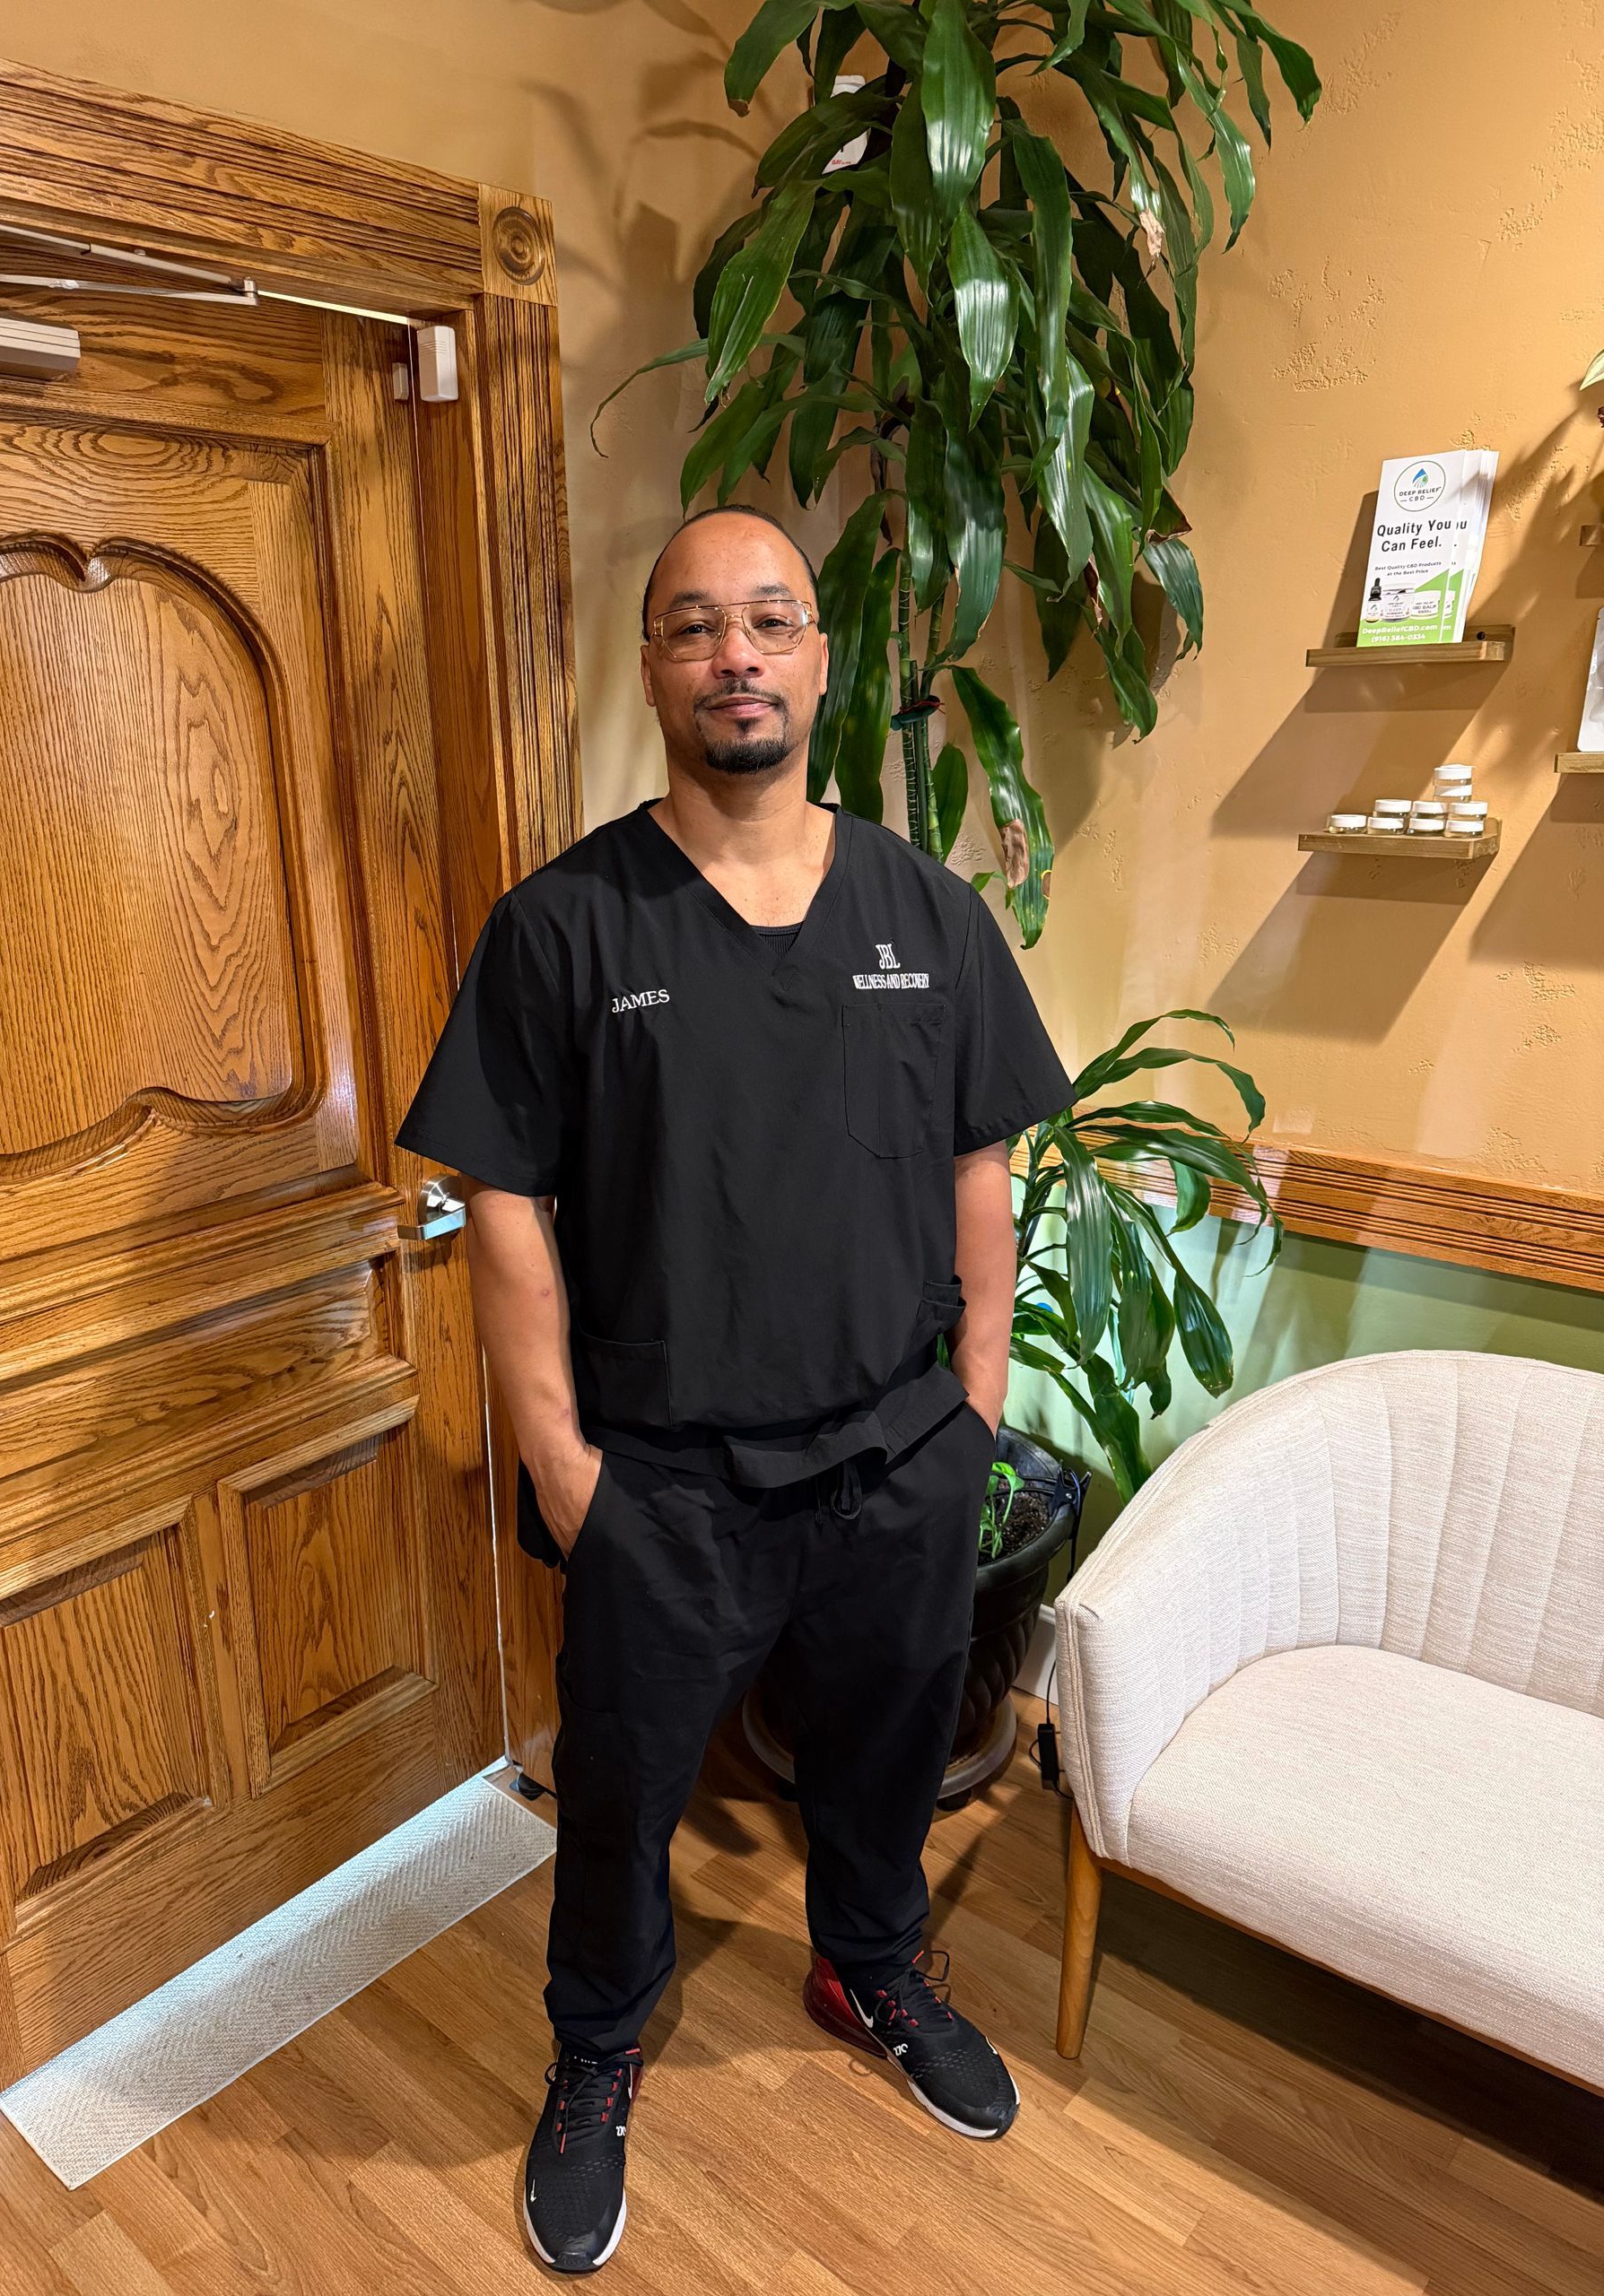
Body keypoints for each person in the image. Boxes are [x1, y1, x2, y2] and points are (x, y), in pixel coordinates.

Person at [394, 504, 1072, 2274]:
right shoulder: (559, 925)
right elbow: (506, 1201)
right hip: (661, 1475)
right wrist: (556, 1457)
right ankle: (600, 2040)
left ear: (820, 656)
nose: (736, 657)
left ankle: (868, 1962)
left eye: (768, 620)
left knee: (886, 1753)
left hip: (896, 1454)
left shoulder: (930, 913)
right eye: (695, 628)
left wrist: (974, 1402)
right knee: (620, 1786)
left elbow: (978, 1165)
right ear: (653, 670)